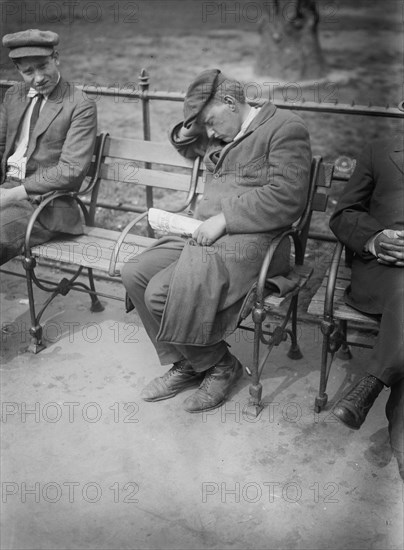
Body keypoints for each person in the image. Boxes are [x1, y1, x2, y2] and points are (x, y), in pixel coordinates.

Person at [122, 69, 312, 413]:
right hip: (207, 234)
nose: (209, 132)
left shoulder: (285, 127)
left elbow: (288, 196)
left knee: (160, 293)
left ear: (229, 102)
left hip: (257, 243)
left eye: (211, 122)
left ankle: (221, 366)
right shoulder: (222, 133)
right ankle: (190, 362)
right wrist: (196, 120)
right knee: (135, 272)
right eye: (206, 126)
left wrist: (225, 219)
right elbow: (185, 141)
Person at [329, 136, 404, 480]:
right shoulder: (379, 151)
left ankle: (371, 384)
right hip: (381, 268)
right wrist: (375, 239)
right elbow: (344, 214)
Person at [0, 29, 97, 265]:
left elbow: (71, 170)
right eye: (28, 72)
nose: (38, 78)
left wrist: (12, 194)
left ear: (56, 58)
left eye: (43, 66)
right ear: (18, 71)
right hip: (6, 192)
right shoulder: (14, 95)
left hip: (47, 205)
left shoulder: (79, 104)